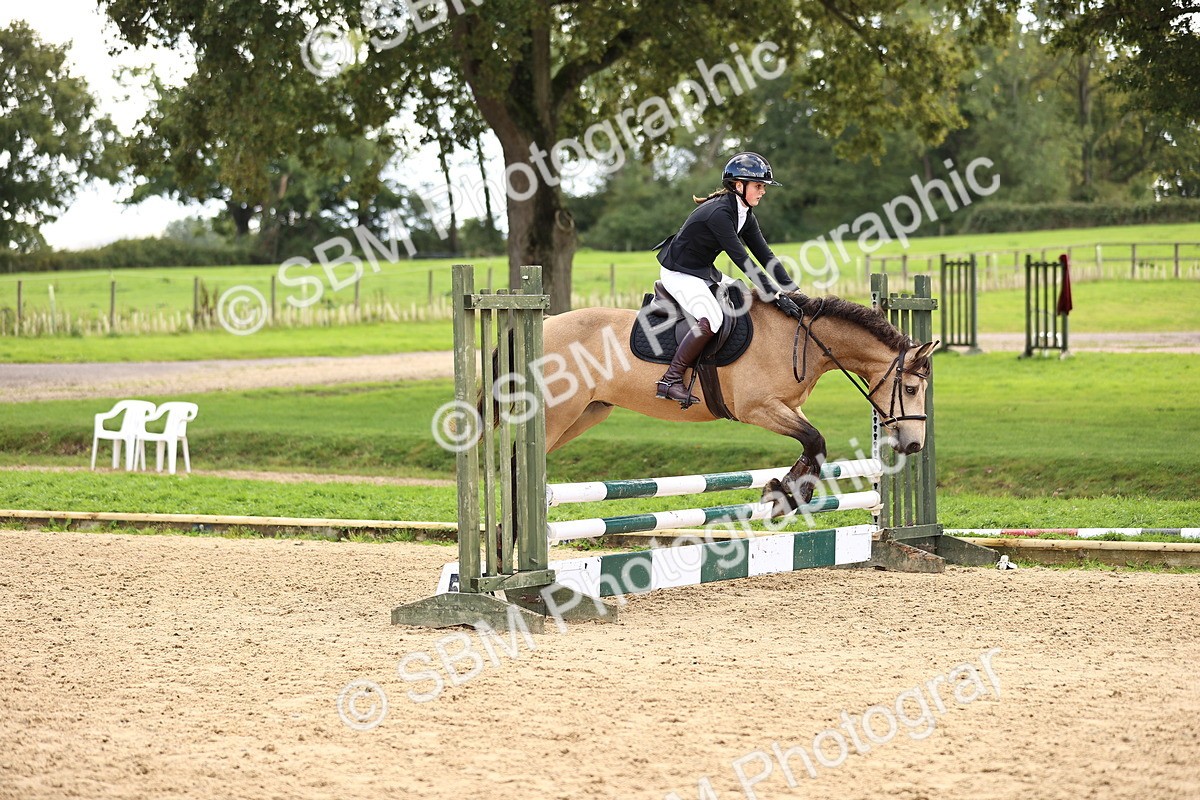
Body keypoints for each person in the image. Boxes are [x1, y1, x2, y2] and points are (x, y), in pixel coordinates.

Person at [652, 151, 798, 407]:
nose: (763, 191)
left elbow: (764, 254)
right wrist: (774, 294)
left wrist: (793, 291)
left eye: (763, 186)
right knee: (714, 319)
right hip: (679, 272)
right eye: (758, 186)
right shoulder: (719, 213)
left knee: (742, 295)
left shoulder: (744, 214)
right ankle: (670, 379)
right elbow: (743, 259)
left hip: (702, 270)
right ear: (738, 185)